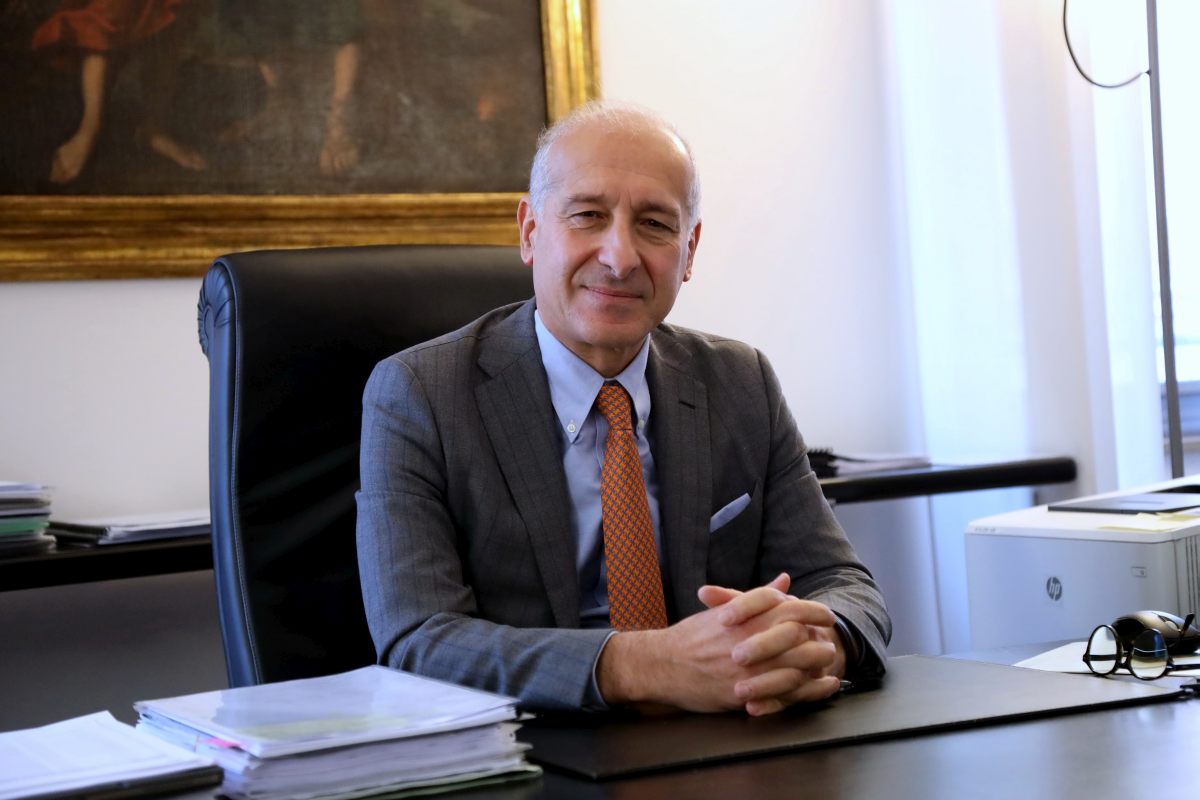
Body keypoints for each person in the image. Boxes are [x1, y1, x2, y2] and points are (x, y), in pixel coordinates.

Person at [356, 100, 890, 716]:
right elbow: (417, 638)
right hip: (538, 743)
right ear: (530, 231)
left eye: (655, 225)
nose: (620, 257)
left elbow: (845, 586)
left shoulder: (741, 382)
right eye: (588, 215)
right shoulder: (418, 394)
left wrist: (814, 644)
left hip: (729, 733)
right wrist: (650, 665)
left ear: (689, 251)